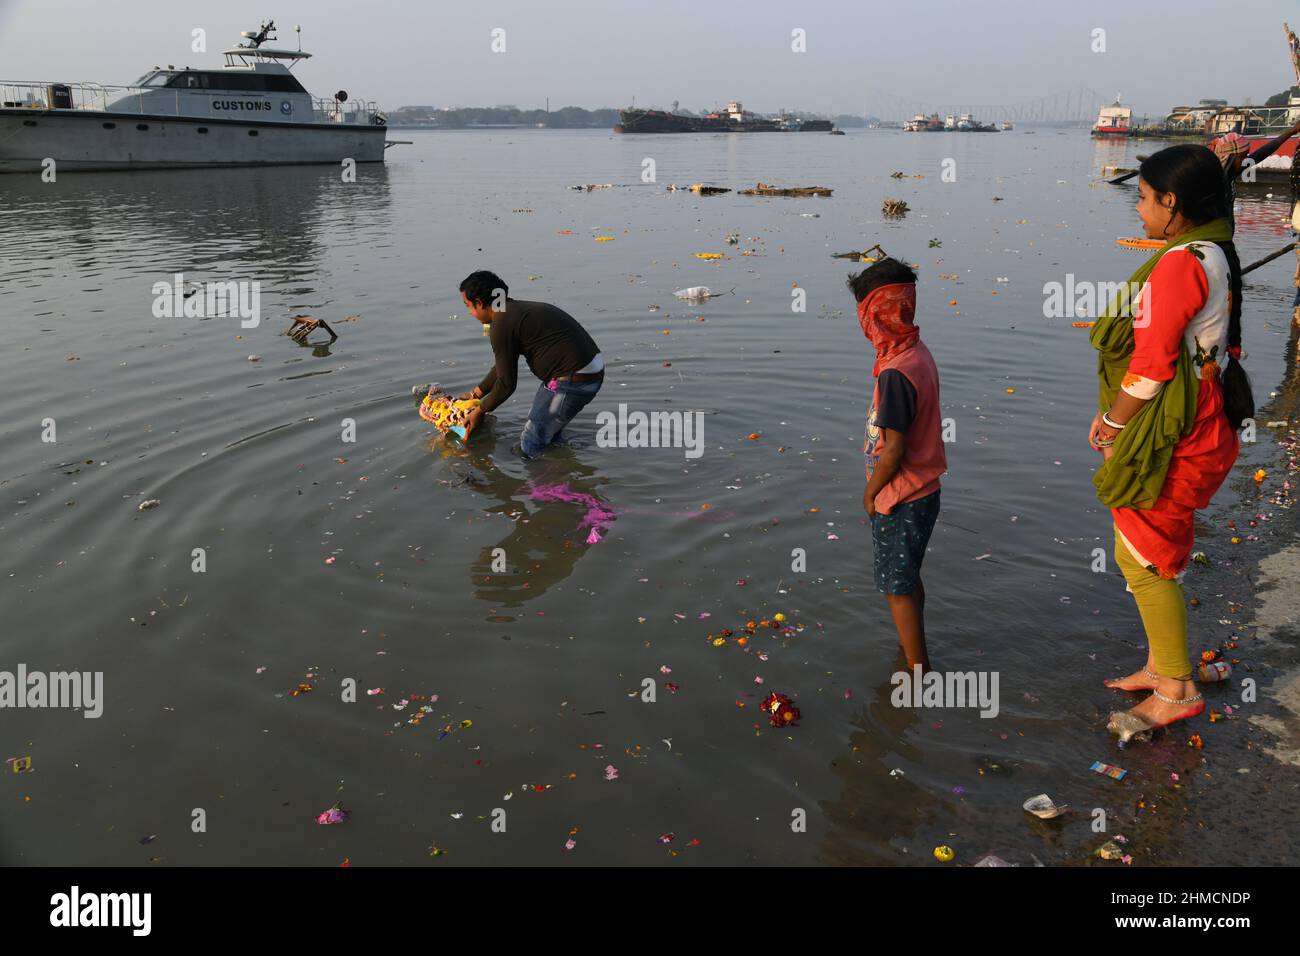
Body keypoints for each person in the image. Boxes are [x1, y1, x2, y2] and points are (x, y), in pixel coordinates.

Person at [1092, 144, 1254, 740]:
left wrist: (1112, 423)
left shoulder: (1180, 264)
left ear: (1171, 202)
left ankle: (1176, 689)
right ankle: (1163, 664)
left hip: (1173, 426)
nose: (1138, 211)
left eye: (1142, 198)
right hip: (1203, 415)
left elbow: (1153, 367)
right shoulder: (1214, 249)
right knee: (1142, 546)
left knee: (1146, 556)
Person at [848, 258, 947, 672]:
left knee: (896, 586)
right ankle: (914, 648)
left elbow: (893, 451)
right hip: (923, 492)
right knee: (906, 578)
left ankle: (917, 669)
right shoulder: (916, 352)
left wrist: (871, 495)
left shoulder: (895, 373)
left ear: (876, 314)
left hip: (901, 496)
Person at [455, 271, 604, 456]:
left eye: (468, 306)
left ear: (479, 302)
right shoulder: (510, 312)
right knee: (548, 436)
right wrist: (475, 394)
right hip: (586, 372)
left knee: (530, 444)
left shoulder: (502, 324)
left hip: (573, 380)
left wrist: (480, 410)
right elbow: (503, 366)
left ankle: (542, 482)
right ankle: (563, 469)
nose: (470, 312)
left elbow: (507, 384)